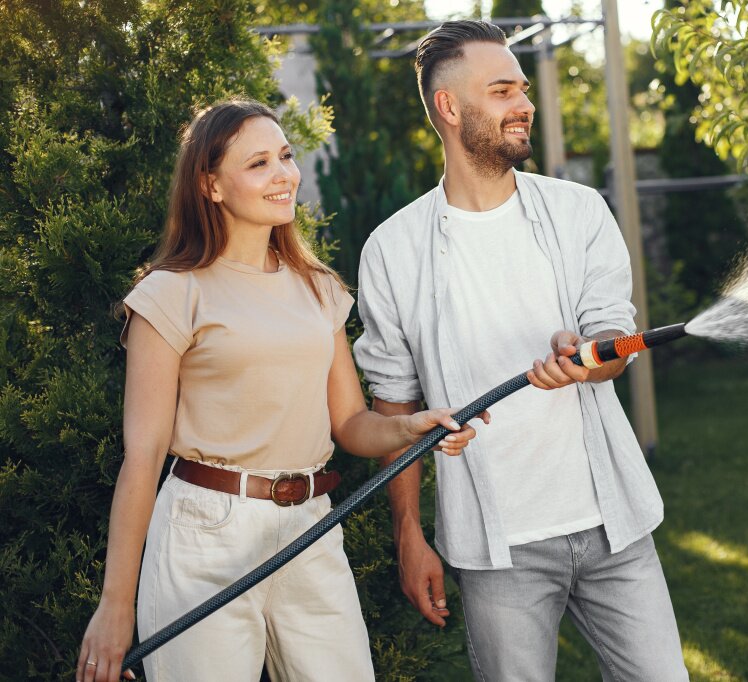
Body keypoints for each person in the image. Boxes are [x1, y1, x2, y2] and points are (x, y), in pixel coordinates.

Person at [75, 98, 486, 682]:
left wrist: (406, 426)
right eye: (259, 163)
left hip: (309, 527)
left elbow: (348, 422)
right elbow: (142, 457)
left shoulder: (317, 287)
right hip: (203, 532)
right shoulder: (170, 294)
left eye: (287, 157)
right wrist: (116, 605)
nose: (284, 174)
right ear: (210, 185)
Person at [354, 20, 689, 682]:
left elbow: (612, 338)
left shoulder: (578, 212)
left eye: (523, 89)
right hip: (496, 551)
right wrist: (408, 535)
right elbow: (392, 403)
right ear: (450, 108)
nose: (524, 104)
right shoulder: (392, 251)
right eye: (503, 90)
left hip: (612, 528)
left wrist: (587, 354)